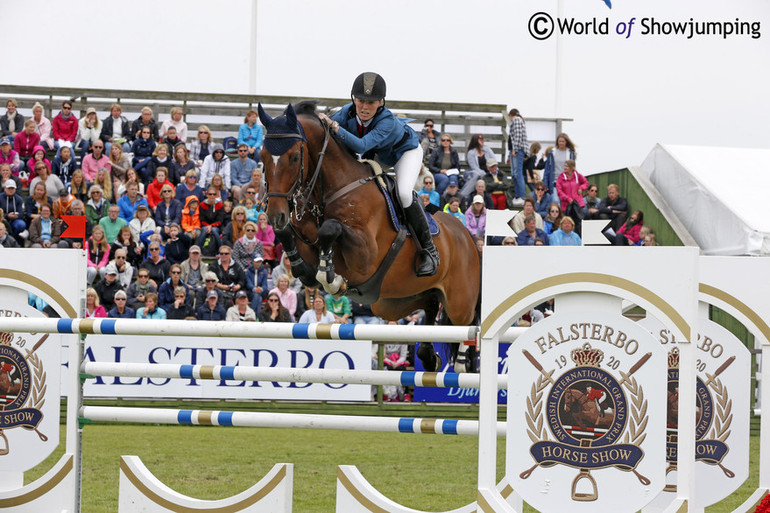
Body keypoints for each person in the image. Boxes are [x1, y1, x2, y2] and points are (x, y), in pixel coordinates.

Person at [317, 72, 438, 276]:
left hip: (404, 153)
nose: (365, 107)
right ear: (353, 99)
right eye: (361, 100)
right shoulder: (346, 113)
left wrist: (334, 126)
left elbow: (362, 144)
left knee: (404, 193)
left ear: (381, 102)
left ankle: (430, 250)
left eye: (371, 102)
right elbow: (325, 131)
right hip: (379, 153)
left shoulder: (387, 121)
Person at [506, 109, 528, 207]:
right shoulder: (518, 121)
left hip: (517, 150)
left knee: (518, 173)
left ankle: (522, 196)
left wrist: (515, 149)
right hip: (514, 150)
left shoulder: (517, 120)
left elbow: (517, 137)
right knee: (515, 173)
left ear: (511, 115)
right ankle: (517, 195)